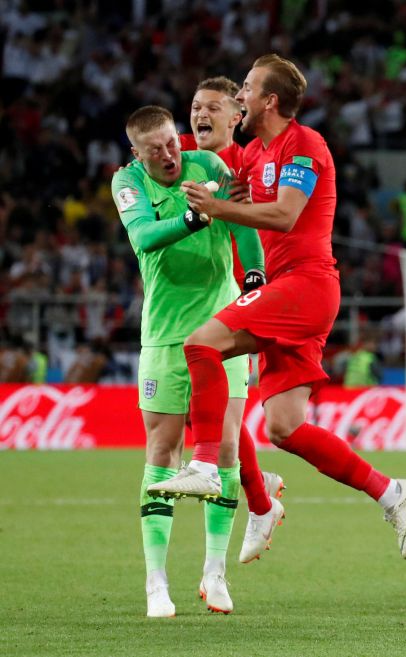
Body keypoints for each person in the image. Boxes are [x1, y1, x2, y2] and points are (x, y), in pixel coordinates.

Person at [148, 54, 406, 562]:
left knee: (201, 344)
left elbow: (284, 214)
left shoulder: (305, 144)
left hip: (306, 286)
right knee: (284, 428)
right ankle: (390, 492)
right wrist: (156, 153)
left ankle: (208, 464)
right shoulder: (255, 153)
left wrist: (217, 207)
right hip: (287, 290)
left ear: (269, 101)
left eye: (246, 89)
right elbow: (219, 163)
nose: (240, 96)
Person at [112, 105, 265, 617]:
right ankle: (156, 582)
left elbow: (242, 220)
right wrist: (196, 215)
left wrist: (255, 274)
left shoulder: (210, 165)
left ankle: (214, 574)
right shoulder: (128, 183)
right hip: (164, 337)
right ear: (137, 152)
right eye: (154, 149)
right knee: (164, 449)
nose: (168, 154)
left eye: (171, 143)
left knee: (225, 452)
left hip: (222, 333)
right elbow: (143, 236)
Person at [181, 75, 287, 568]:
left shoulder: (243, 165)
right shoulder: (179, 155)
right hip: (181, 301)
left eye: (213, 107)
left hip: (238, 297)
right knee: (197, 414)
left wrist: (256, 280)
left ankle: (261, 502)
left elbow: (253, 224)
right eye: (195, 106)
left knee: (224, 424)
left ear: (234, 117)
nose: (201, 114)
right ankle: (259, 486)